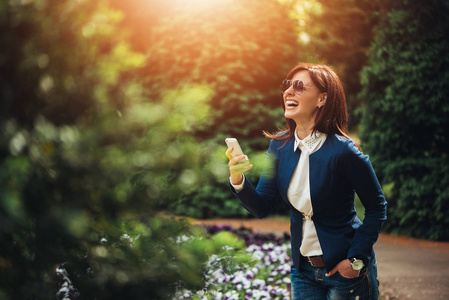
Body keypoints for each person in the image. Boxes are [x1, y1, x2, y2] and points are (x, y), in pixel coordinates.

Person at [225, 63, 387, 300]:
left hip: (345, 273)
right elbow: (262, 206)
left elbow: (376, 207)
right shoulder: (279, 146)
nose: (288, 92)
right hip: (303, 272)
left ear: (322, 99)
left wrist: (355, 260)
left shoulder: (345, 152)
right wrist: (237, 178)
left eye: (299, 86)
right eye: (287, 85)